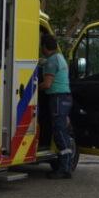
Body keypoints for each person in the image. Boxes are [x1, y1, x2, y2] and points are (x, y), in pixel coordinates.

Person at [39, 32, 76, 178]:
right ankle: (66, 166)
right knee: (62, 131)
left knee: (59, 132)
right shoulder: (59, 58)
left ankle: (64, 169)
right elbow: (45, 63)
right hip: (65, 98)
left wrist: (33, 88)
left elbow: (47, 84)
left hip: (57, 99)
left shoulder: (51, 62)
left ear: (44, 47)